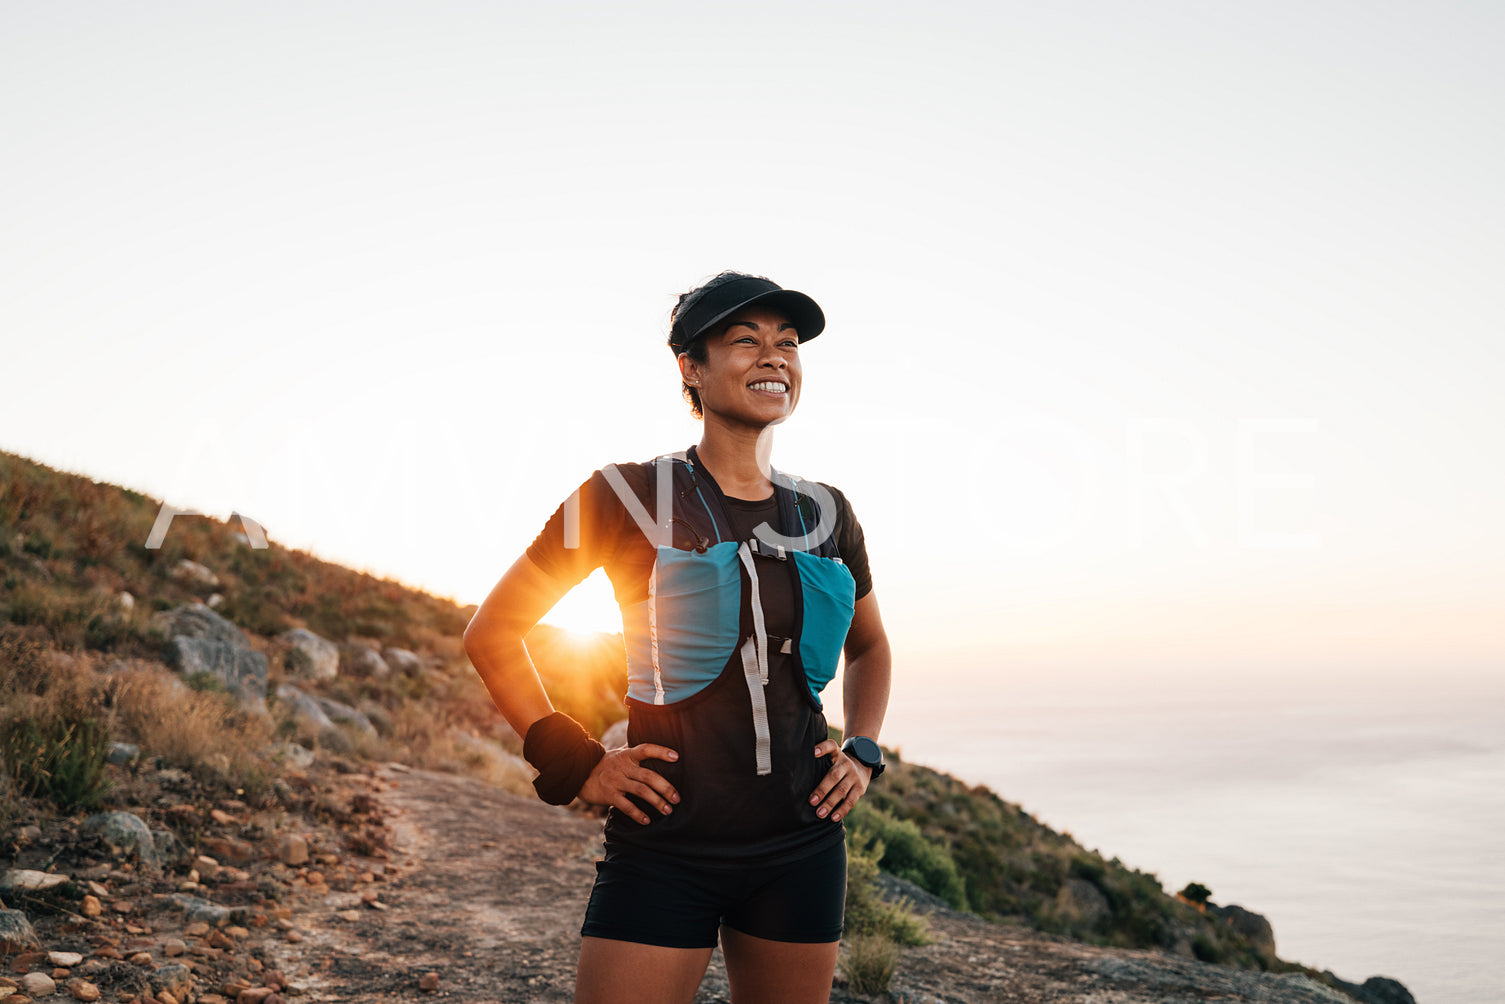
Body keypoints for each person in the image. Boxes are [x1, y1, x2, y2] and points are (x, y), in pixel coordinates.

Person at [463, 271, 893, 1004]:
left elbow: (870, 647)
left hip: (801, 843)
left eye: (787, 344)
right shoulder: (619, 495)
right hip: (665, 844)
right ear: (690, 368)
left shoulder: (828, 512)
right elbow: (493, 632)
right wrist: (577, 762)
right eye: (745, 341)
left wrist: (862, 749)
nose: (774, 358)